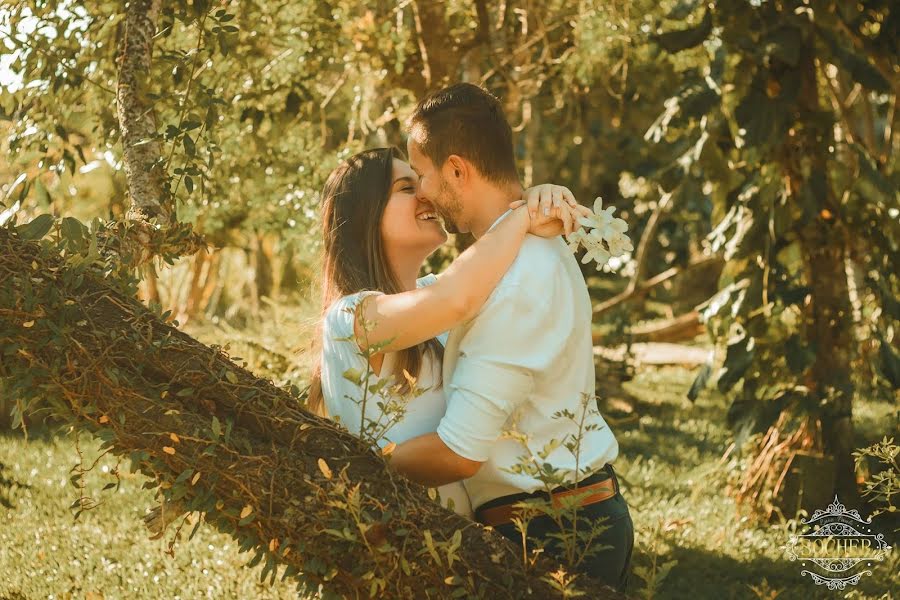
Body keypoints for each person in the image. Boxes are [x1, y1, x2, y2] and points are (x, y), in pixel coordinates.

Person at [386, 83, 634, 592]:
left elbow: (460, 452)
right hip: (543, 524)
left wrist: (354, 460)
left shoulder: (521, 278)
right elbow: (431, 299)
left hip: (557, 536)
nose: (423, 193)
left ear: (457, 170)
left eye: (423, 175)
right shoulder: (505, 258)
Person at [307, 145, 589, 519]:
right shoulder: (350, 318)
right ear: (366, 214)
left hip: (460, 547)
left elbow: (470, 283)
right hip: (398, 549)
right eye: (407, 188)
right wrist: (520, 218)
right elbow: (456, 297)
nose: (426, 193)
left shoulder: (433, 296)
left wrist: (539, 195)